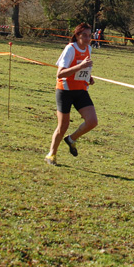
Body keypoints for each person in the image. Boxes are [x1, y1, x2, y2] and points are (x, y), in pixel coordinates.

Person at [46, 22, 98, 166]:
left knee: (92, 121)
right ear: (77, 35)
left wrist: (88, 76)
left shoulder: (89, 48)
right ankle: (51, 154)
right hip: (65, 91)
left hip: (81, 90)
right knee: (63, 125)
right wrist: (80, 67)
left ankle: (71, 139)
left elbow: (83, 70)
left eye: (90, 36)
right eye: (84, 35)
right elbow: (60, 74)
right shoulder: (70, 49)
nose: (88, 39)